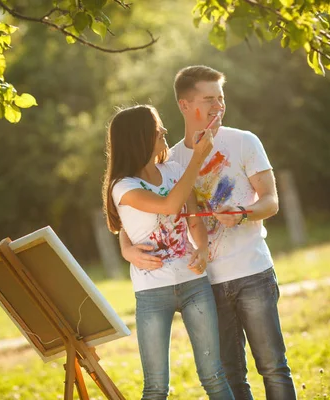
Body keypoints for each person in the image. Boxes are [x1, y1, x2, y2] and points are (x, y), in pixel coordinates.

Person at [119, 66, 297, 400]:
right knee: (231, 375)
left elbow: (271, 201)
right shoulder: (169, 161)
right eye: (208, 99)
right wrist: (127, 248)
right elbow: (140, 214)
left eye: (221, 98)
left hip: (252, 272)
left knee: (273, 366)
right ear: (185, 105)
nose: (218, 106)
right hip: (205, 284)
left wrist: (243, 214)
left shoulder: (244, 141)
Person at [102, 104, 234, 400]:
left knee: (214, 375)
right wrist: (198, 158)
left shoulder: (173, 170)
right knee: (156, 387)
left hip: (194, 284)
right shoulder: (122, 187)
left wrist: (201, 248)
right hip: (152, 292)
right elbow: (168, 206)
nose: (163, 131)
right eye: (156, 127)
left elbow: (191, 214)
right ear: (140, 137)